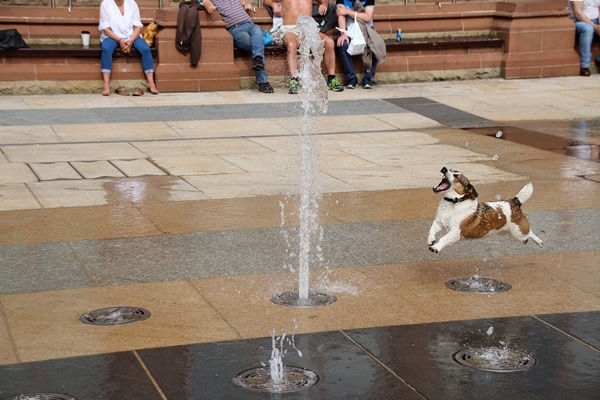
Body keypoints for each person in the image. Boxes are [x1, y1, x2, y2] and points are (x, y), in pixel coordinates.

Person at [264, 0, 344, 94]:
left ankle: (331, 79)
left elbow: (324, 1)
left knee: (329, 42)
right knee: (291, 45)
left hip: (308, 28)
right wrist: (274, 5)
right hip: (290, 29)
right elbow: (265, 1)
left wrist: (324, 4)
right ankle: (294, 80)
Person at [203, 0, 275, 93]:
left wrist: (248, 5)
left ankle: (259, 62)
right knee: (256, 46)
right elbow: (208, 6)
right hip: (235, 29)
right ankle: (263, 81)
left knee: (257, 30)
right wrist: (210, 7)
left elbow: (244, 3)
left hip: (250, 24)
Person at [99, 0, 159, 96]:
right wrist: (120, 40)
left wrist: (130, 41)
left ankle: (151, 82)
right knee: (106, 49)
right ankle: (106, 85)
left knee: (145, 49)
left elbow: (138, 27)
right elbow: (106, 29)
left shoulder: (132, 3)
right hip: (112, 36)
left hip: (131, 36)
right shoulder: (106, 4)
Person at [335, 0, 379, 88]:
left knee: (376, 45)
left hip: (366, 29)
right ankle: (351, 79)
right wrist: (343, 34)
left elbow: (367, 17)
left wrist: (347, 11)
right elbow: (341, 15)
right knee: (342, 44)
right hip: (349, 30)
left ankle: (368, 78)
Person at [568, 0, 600, 76]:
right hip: (579, 21)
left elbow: (598, 9)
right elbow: (578, 13)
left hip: (596, 20)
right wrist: (595, 26)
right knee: (588, 29)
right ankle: (585, 66)